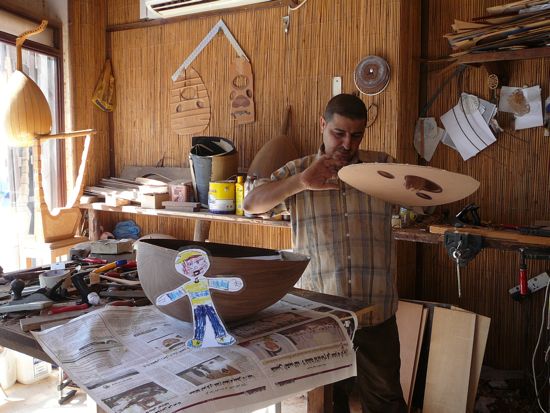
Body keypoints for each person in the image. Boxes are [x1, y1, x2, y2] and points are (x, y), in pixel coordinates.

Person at [243, 93, 407, 413]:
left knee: (385, 400)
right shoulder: (298, 171)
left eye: (356, 135)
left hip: (376, 309)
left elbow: (422, 201)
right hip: (321, 315)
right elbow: (251, 204)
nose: (347, 144)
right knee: (326, 403)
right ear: (322, 124)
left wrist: (418, 189)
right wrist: (301, 182)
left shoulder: (381, 167)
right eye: (338, 133)